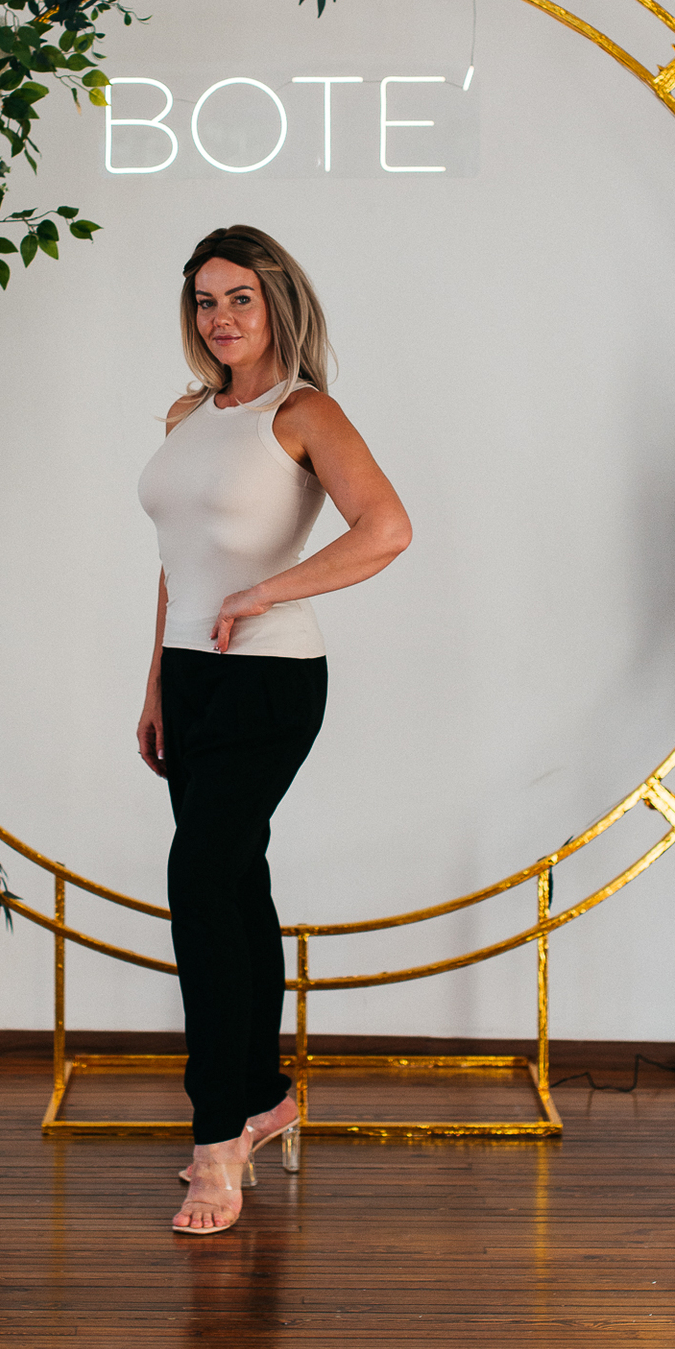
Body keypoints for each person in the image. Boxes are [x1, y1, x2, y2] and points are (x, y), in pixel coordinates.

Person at [137, 224, 412, 1235]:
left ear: (276, 304)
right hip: (191, 678)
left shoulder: (303, 412)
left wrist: (264, 592)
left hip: (269, 679)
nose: (221, 318)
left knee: (201, 884)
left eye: (239, 299)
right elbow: (177, 563)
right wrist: (155, 683)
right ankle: (260, 1098)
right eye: (206, 300)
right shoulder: (186, 414)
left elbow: (385, 528)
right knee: (233, 883)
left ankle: (218, 1140)